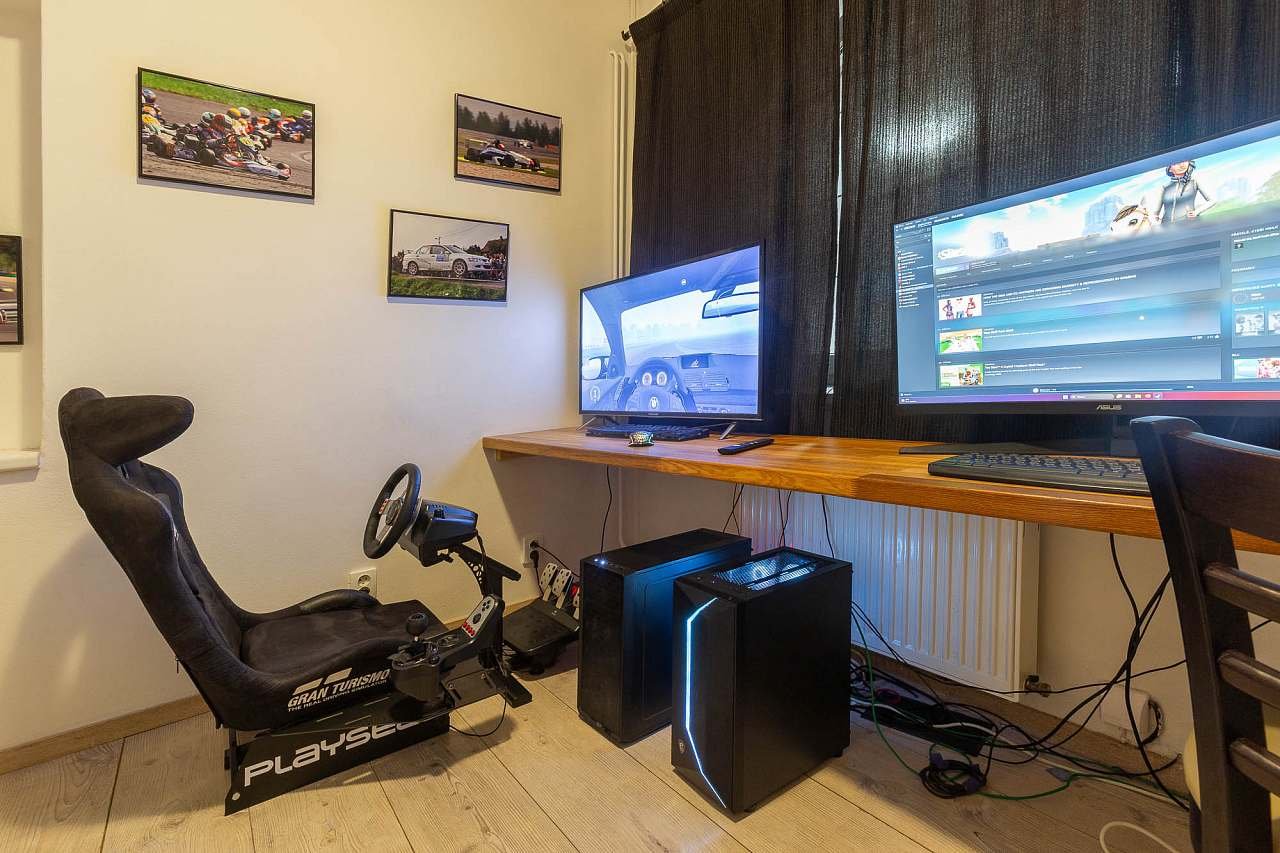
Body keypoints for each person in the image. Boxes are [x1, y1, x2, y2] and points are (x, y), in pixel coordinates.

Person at [1154, 160, 1216, 225]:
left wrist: (1196, 212)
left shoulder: (1194, 181)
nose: (1182, 165)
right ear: (1169, 169)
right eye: (1176, 163)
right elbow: (1155, 213)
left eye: (1185, 161)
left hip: (1189, 224)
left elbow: (1212, 200)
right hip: (1167, 227)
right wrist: (1156, 222)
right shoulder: (1165, 187)